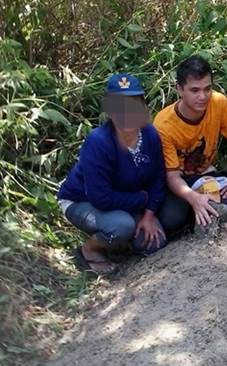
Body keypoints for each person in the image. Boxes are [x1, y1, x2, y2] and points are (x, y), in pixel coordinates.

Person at [57, 74, 166, 273]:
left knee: (154, 242)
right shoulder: (98, 142)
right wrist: (141, 200)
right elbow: (100, 197)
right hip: (83, 201)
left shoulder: (150, 134)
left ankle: (125, 242)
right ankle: (88, 250)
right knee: (122, 225)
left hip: (127, 196)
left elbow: (159, 176)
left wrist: (149, 215)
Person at [154, 55, 227, 234]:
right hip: (176, 180)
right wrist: (193, 198)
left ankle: (199, 210)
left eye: (207, 89)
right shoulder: (163, 124)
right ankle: (192, 210)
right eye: (195, 90)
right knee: (171, 220)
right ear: (179, 89)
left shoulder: (219, 103)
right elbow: (172, 176)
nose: (202, 97)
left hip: (205, 174)